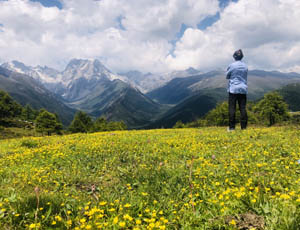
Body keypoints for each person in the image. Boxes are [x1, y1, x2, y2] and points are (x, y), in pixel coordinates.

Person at [226, 49, 248, 131]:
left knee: (232, 108)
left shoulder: (232, 65)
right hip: (243, 89)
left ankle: (232, 128)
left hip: (233, 89)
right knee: (242, 108)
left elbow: (227, 76)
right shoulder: (245, 66)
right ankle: (244, 128)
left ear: (234, 56)